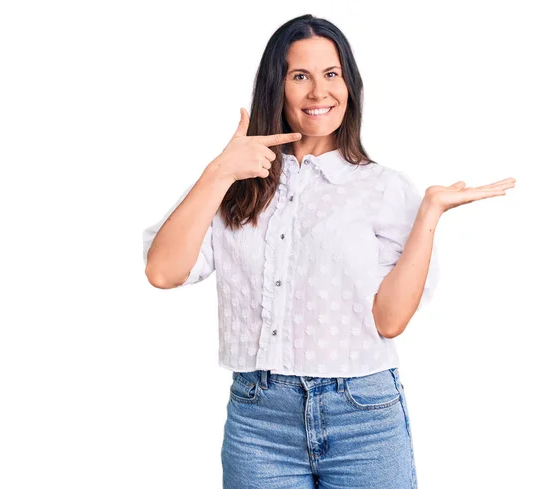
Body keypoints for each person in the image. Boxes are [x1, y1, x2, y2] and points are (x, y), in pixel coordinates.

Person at [142, 13, 515, 489]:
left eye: (331, 74)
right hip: (259, 424)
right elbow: (162, 272)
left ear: (350, 86)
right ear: (277, 87)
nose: (319, 92)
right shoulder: (235, 183)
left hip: (364, 418)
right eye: (301, 76)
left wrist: (429, 215)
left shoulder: (381, 188)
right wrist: (218, 173)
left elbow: (389, 322)